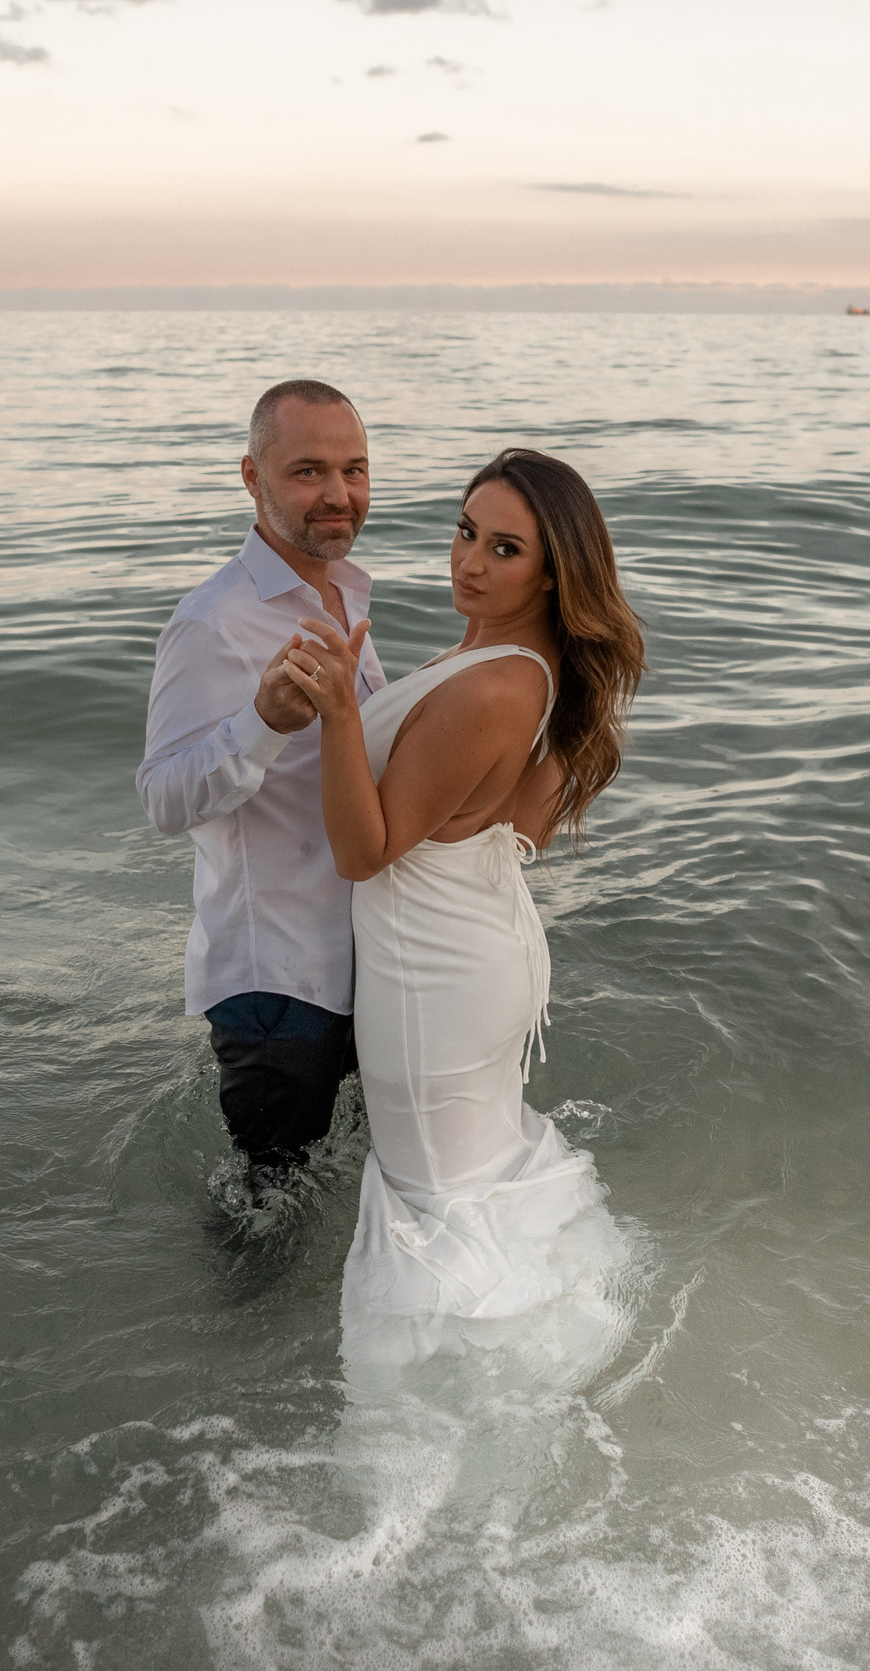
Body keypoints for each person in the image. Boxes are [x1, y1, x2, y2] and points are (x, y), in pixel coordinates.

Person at [277, 447, 647, 1375]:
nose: (469, 561)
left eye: (505, 548)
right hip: (482, 941)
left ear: (555, 571)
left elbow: (365, 851)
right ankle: (539, 1336)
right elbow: (520, 829)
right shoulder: (528, 663)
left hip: (432, 968)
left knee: (431, 1186)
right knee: (471, 1162)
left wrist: (337, 713)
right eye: (465, 530)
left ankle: (461, 1388)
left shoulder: (492, 683)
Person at [138, 380, 387, 1204]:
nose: (337, 494)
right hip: (273, 982)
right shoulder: (213, 621)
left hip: (352, 959)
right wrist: (261, 720)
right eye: (308, 471)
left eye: (353, 469)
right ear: (253, 476)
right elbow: (164, 799)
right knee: (264, 1211)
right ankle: (225, 1334)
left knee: (332, 1187)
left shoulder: (344, 592)